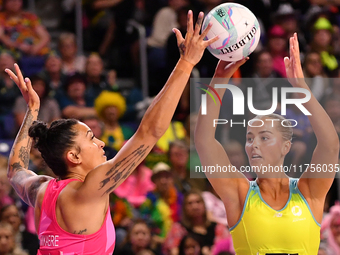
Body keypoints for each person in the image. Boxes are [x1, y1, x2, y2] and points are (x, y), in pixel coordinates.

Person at [5, 10, 218, 255]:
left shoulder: (42, 190)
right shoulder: (89, 189)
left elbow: (16, 170)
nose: (101, 142)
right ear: (74, 156)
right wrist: (187, 63)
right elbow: (149, 132)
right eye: (91, 138)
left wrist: (32, 111)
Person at [195, 33, 339, 254]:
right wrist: (219, 80)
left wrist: (302, 89)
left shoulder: (308, 191)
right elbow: (204, 142)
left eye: (264, 137)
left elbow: (330, 146)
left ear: (286, 146)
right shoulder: (240, 193)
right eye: (249, 139)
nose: (254, 144)